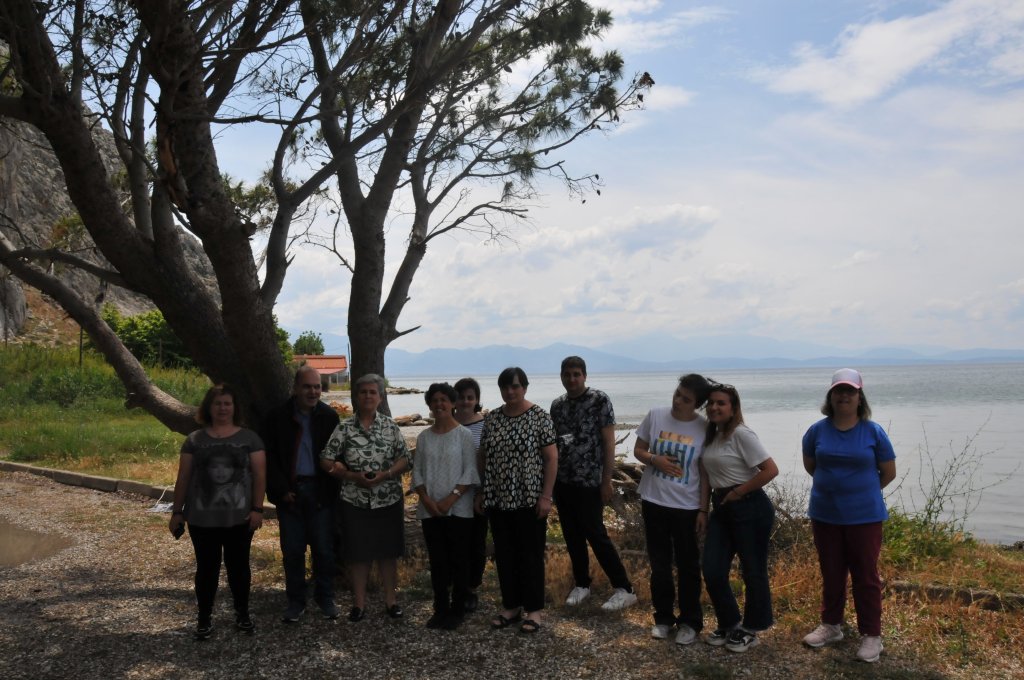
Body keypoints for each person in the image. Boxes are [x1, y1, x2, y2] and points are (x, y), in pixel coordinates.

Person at [801, 368, 896, 663]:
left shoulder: (873, 431)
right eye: (839, 391)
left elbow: (888, 472)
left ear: (859, 397)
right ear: (831, 396)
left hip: (864, 517)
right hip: (825, 514)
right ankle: (831, 626)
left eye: (850, 391)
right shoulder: (816, 431)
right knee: (831, 572)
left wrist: (861, 493)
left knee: (865, 576)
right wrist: (836, 490)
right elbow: (811, 465)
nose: (844, 396)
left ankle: (872, 635)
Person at [168, 384, 266, 640]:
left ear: (235, 408)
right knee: (206, 570)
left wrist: (258, 509)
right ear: (208, 408)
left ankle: (242, 614)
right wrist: (177, 512)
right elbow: (183, 477)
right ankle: (204, 618)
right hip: (202, 520)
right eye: (217, 403)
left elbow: (259, 475)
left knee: (239, 569)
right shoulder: (194, 440)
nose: (223, 408)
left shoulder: (250, 439)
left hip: (239, 519)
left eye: (227, 403)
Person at [320, 373, 410, 622]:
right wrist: (348, 474)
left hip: (388, 499)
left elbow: (405, 459)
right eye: (363, 392)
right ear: (356, 397)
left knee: (387, 553)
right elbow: (325, 459)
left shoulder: (390, 427)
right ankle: (358, 604)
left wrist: (387, 474)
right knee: (358, 554)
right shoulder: (345, 428)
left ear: (380, 397)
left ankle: (391, 601)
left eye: (373, 392)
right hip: (354, 500)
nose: (368, 396)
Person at [550, 356, 637, 611]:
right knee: (572, 535)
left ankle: (625, 588)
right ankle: (582, 584)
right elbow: (555, 444)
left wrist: (606, 480)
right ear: (561, 376)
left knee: (596, 534)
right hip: (563, 481)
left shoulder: (599, 400)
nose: (572, 379)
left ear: (584, 376)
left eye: (576, 374)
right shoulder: (557, 406)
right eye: (567, 374)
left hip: (591, 481)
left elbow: (608, 442)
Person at [476, 367, 557, 634]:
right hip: (498, 499)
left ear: (525, 387)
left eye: (515, 386)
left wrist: (546, 496)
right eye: (505, 387)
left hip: (529, 498)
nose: (510, 392)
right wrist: (483, 490)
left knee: (530, 555)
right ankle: (511, 606)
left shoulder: (539, 417)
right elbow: (483, 455)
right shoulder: (493, 418)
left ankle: (534, 610)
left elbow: (551, 458)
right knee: (505, 554)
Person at [700, 382, 779, 653]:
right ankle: (730, 622)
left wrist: (738, 492)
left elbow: (770, 470)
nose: (714, 407)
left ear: (733, 408)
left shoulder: (742, 434)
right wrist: (703, 511)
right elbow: (705, 477)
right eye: (711, 403)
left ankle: (752, 628)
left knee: (753, 570)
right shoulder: (712, 435)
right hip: (721, 507)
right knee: (712, 568)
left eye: (721, 403)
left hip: (750, 506)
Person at [633, 373, 712, 644]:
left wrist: (703, 510)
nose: (678, 401)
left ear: (697, 404)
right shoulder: (655, 415)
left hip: (687, 506)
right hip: (654, 501)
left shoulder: (704, 428)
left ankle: (690, 621)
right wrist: (654, 459)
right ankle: (663, 618)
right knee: (660, 565)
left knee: (689, 566)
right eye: (678, 394)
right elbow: (639, 450)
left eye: (686, 399)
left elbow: (705, 473)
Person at [261, 365, 341, 622]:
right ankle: (296, 601)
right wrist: (281, 490)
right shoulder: (277, 417)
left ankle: (325, 597)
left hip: (320, 492)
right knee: (293, 550)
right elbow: (270, 458)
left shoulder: (329, 417)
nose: (313, 392)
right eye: (307, 386)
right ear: (295, 388)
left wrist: (330, 491)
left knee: (324, 550)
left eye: (317, 387)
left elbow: (338, 457)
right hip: (291, 493)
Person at [412, 382, 480, 629]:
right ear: (429, 405)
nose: (439, 404)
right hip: (430, 510)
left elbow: (470, 470)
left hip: (459, 509)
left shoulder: (463, 435)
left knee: (459, 560)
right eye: (434, 400)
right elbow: (417, 472)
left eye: (444, 400)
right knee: (438, 561)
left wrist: (451, 498)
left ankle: (457, 609)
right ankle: (440, 608)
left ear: (452, 404)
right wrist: (427, 500)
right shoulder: (423, 437)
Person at [453, 377, 488, 612]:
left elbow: (487, 461)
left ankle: (472, 587)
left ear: (476, 400)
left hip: (476, 495)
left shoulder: (485, 425)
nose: (465, 402)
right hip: (451, 496)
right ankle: (456, 585)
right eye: (461, 397)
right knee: (455, 542)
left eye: (470, 397)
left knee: (476, 543)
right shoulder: (447, 424)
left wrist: (482, 492)